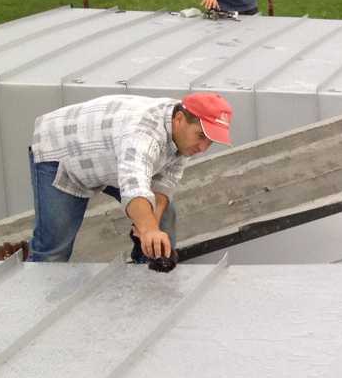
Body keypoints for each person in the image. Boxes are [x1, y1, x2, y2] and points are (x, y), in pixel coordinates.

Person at [27, 93, 233, 264]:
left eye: (210, 141)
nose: (203, 148)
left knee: (162, 217)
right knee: (54, 250)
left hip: (112, 156)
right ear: (179, 119)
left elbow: (163, 184)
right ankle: (36, 296)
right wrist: (148, 229)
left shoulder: (183, 134)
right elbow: (134, 186)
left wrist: (151, 224)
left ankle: (148, 279)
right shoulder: (143, 133)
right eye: (201, 136)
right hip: (62, 150)